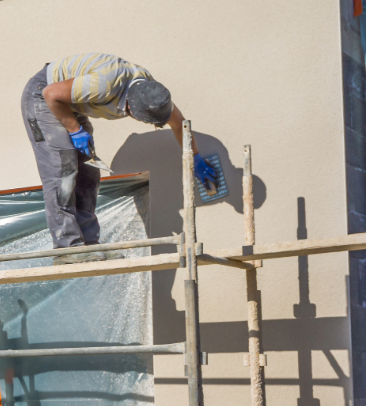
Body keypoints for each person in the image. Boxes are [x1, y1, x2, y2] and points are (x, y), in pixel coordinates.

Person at [20, 53, 218, 261]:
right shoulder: (104, 85)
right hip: (43, 96)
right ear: (131, 107)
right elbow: (51, 93)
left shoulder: (153, 94)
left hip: (69, 101)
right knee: (62, 168)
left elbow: (179, 124)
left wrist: (195, 157)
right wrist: (75, 130)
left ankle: (89, 246)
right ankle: (67, 248)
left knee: (88, 173)